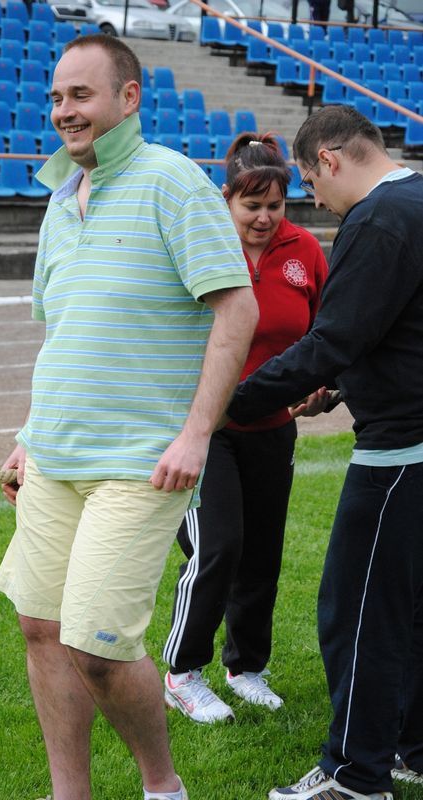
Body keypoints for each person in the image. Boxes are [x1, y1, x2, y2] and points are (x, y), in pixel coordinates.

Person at [0, 34, 259, 800]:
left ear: (128, 97)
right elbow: (64, 332)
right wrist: (26, 436)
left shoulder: (171, 180)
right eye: (55, 97)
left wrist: (196, 434)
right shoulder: (58, 199)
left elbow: (236, 309)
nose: (63, 111)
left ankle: (162, 787)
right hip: (53, 456)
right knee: (41, 629)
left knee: (99, 648)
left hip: (141, 461)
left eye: (80, 94)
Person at [225, 105, 423, 800]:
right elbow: (397, 328)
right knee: (409, 610)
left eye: (310, 183)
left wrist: (225, 404)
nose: (315, 200)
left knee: (358, 612)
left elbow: (332, 338)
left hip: (400, 451)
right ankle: (410, 749)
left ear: (330, 161)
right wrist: (342, 387)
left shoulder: (377, 217)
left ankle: (353, 776)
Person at [162, 133, 329, 723]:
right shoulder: (200, 246)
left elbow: (326, 334)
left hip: (273, 428)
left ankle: (246, 667)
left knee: (261, 552)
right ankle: (183, 672)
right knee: (219, 546)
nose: (263, 218)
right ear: (225, 198)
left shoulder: (305, 251)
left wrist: (324, 385)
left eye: (274, 206)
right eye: (250, 205)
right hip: (205, 428)